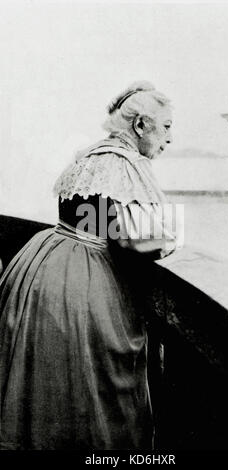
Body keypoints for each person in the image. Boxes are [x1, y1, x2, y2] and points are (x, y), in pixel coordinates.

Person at [0, 81, 176, 450]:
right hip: (82, 278)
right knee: (89, 384)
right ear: (140, 126)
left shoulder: (90, 156)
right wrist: (172, 237)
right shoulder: (124, 166)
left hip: (42, 261)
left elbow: (91, 217)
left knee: (44, 378)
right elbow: (138, 238)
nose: (169, 139)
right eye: (166, 127)